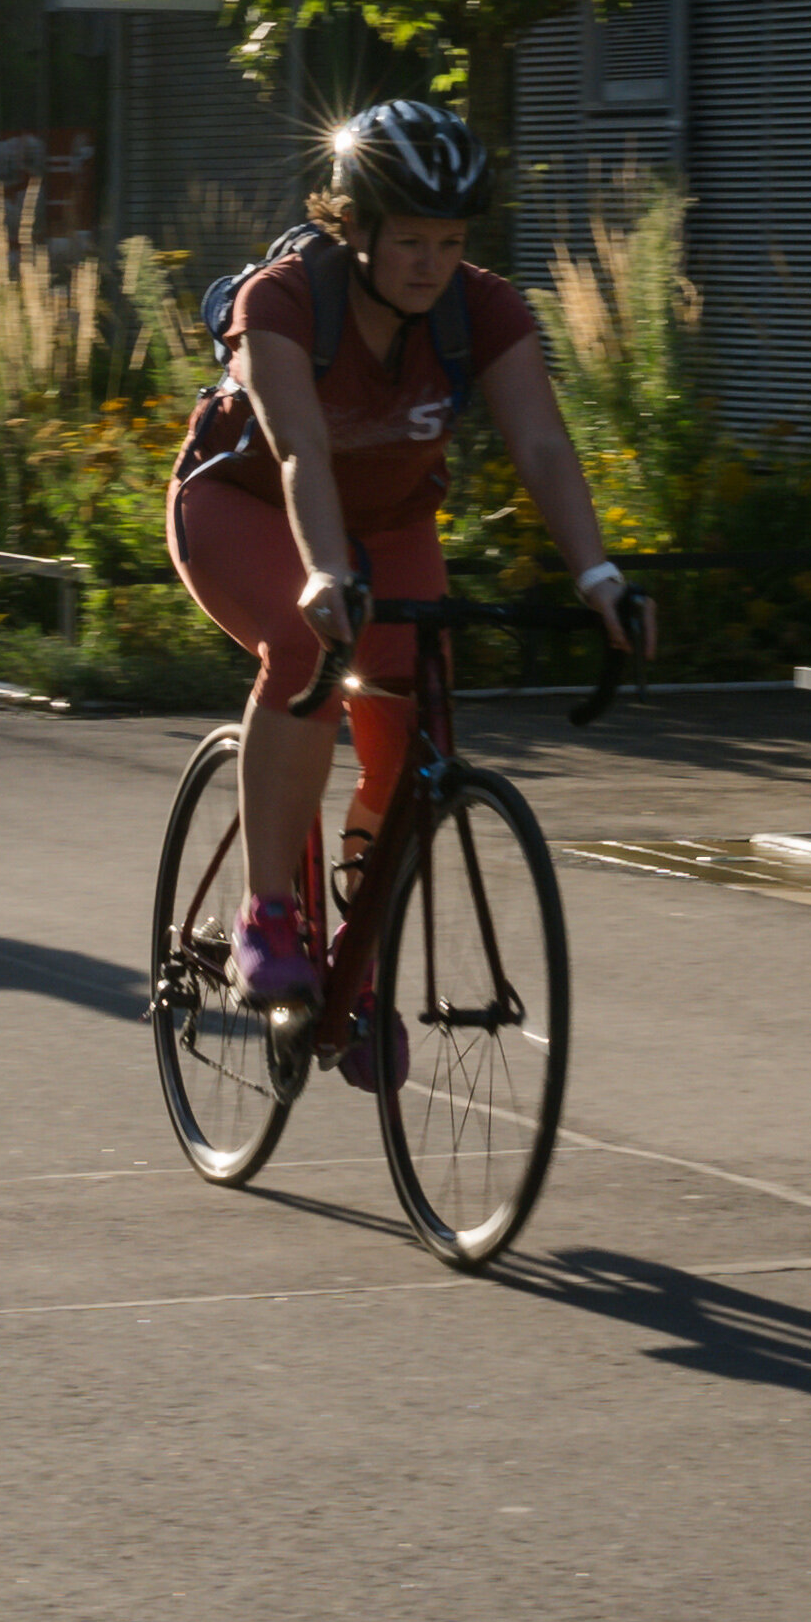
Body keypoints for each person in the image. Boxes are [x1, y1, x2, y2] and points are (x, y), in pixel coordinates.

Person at [165, 96, 640, 1040]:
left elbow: (542, 445)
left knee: (419, 723)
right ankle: (267, 914)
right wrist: (325, 571)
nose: (432, 263)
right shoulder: (286, 300)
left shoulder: (481, 308)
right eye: (411, 240)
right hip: (246, 507)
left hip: (391, 521)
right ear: (356, 226)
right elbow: (298, 447)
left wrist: (599, 580)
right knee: (304, 656)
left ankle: (359, 930)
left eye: (449, 239)